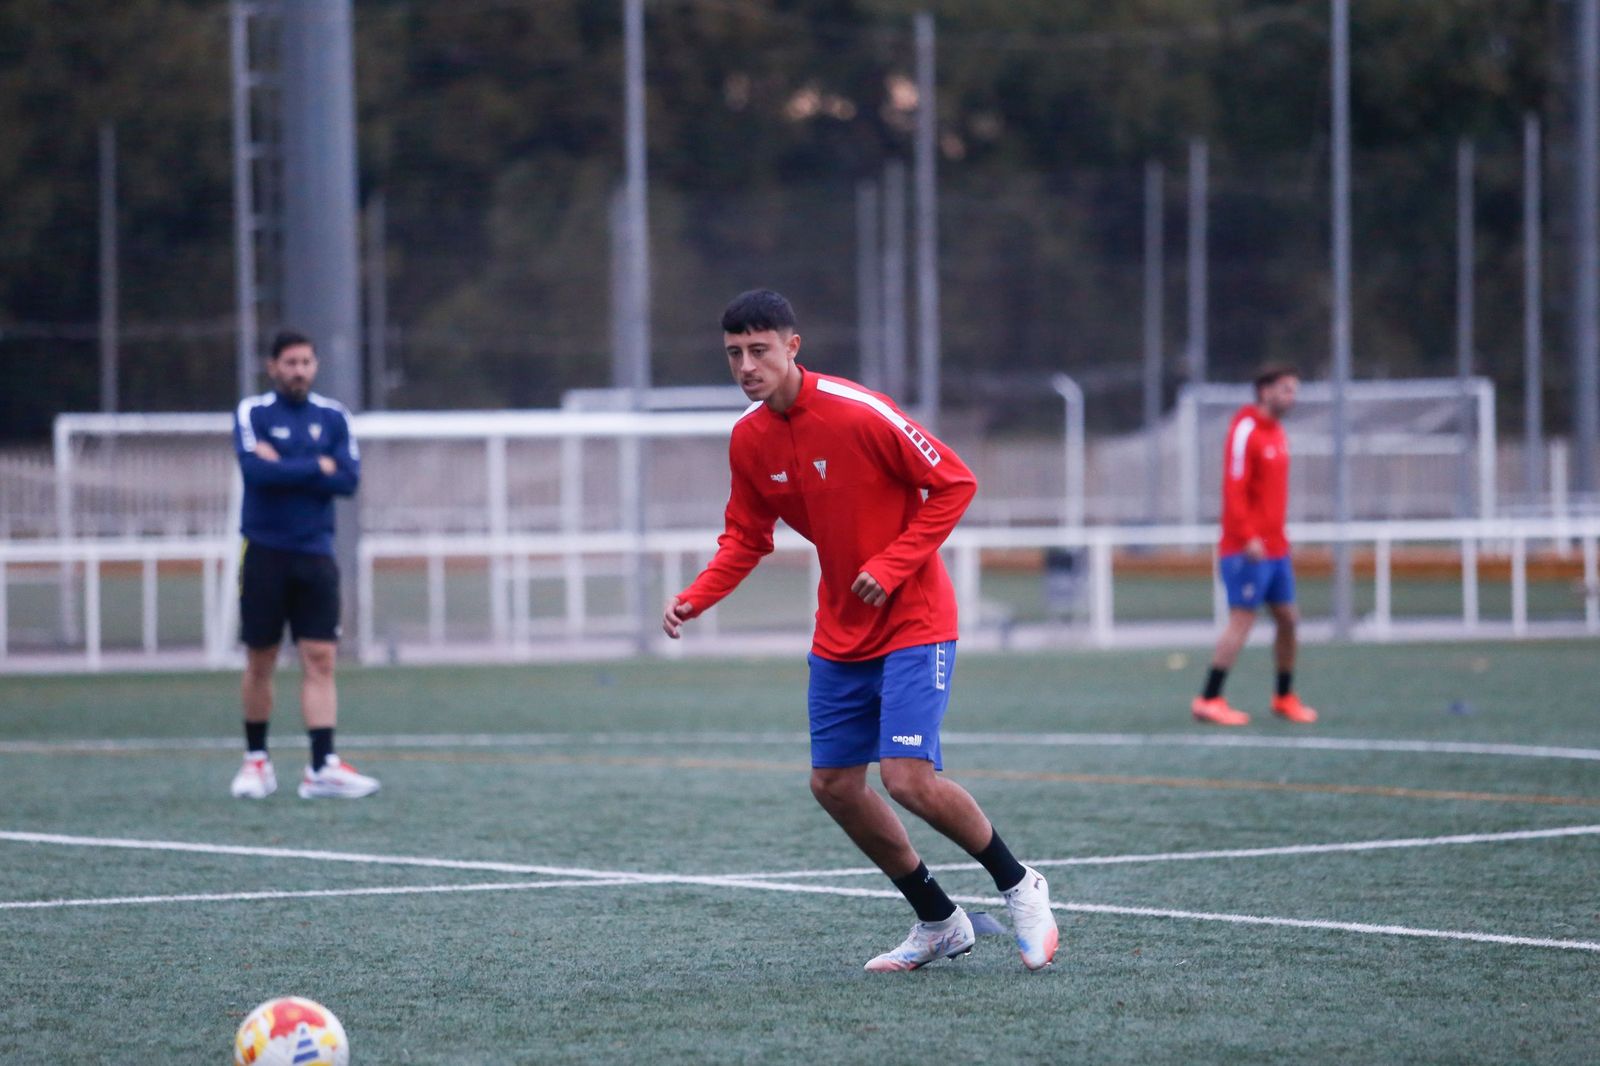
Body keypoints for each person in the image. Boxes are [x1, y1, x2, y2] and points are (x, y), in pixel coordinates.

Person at [664, 289, 1058, 972]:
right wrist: (695, 599)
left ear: (793, 346)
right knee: (835, 786)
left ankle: (1021, 885)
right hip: (841, 632)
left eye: (759, 350)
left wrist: (895, 561)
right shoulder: (749, 440)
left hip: (915, 619)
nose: (747, 365)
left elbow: (955, 482)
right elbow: (746, 539)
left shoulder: (858, 411)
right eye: (734, 354)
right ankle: (939, 921)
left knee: (906, 777)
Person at [228, 330, 380, 800]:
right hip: (265, 552)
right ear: (273, 366)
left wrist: (289, 466)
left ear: (315, 367)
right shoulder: (252, 412)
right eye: (290, 362)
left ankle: (322, 767)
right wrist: (318, 467)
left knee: (321, 659)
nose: (299, 370)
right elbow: (255, 472)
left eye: (306, 362)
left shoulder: (334, 417)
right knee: (261, 658)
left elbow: (350, 479)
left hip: (316, 553)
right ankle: (257, 761)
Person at [1191, 365, 1319, 726]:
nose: (1291, 397)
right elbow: (1234, 487)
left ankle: (1283, 696)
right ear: (1264, 391)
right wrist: (1247, 535)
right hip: (1246, 547)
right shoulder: (1245, 429)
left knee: (1289, 620)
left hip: (1276, 549)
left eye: (1294, 390)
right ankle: (1209, 698)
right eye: (1285, 389)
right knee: (1242, 619)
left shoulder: (1278, 433)